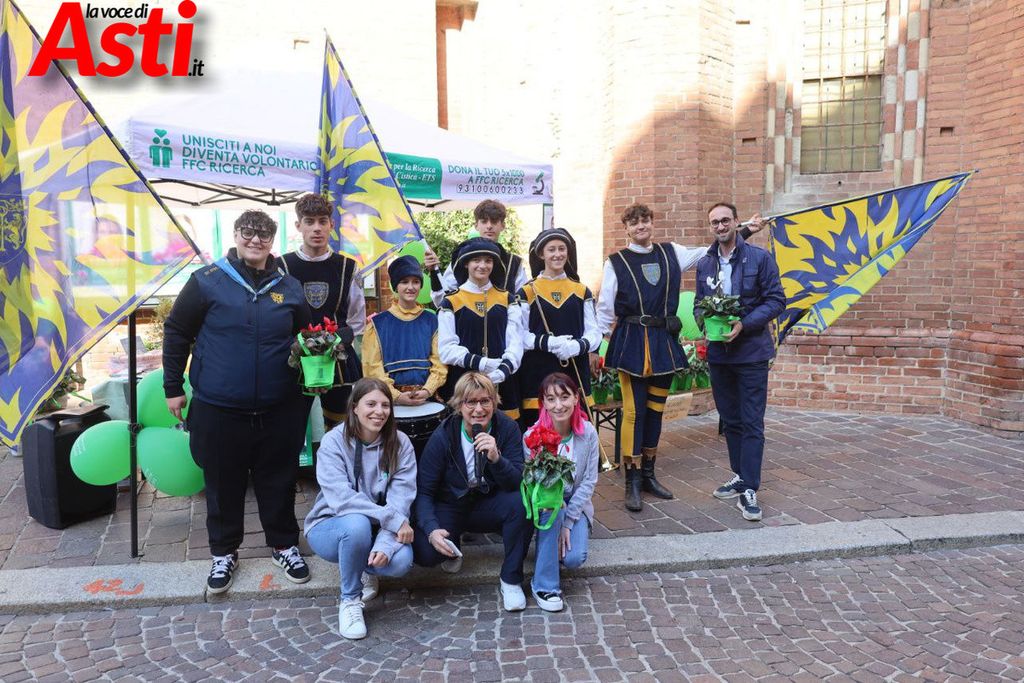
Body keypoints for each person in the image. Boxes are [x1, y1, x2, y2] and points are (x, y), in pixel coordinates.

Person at [163, 209, 312, 594]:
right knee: (222, 483)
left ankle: (283, 545)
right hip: (219, 407)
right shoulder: (207, 281)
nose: (255, 240)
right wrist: (172, 386)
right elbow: (177, 331)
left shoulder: (289, 286)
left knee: (279, 480)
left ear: (273, 240)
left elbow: (307, 335)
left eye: (264, 234)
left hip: (279, 406)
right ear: (235, 235)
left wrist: (323, 355)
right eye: (248, 232)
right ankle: (224, 552)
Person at [595, 203, 759, 511]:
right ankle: (631, 481)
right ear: (626, 228)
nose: (641, 226)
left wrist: (746, 230)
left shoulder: (672, 252)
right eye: (634, 222)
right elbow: (604, 308)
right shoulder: (616, 262)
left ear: (652, 223)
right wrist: (595, 347)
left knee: (656, 410)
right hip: (631, 342)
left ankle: (648, 475)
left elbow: (708, 251)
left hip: (662, 342)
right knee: (634, 413)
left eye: (645, 220)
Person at [304, 378, 417, 640]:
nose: (379, 411)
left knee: (401, 561)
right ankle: (350, 600)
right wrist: (392, 520)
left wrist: (386, 542)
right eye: (371, 404)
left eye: (385, 405)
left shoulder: (400, 443)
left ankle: (361, 566)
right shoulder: (333, 442)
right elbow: (341, 499)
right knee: (357, 524)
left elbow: (401, 498)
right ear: (354, 407)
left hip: (377, 528)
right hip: (330, 525)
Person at [411, 372, 531, 612]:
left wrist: (497, 459)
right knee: (426, 553)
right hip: (452, 503)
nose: (478, 409)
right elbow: (424, 492)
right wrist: (432, 529)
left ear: (494, 402)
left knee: (521, 503)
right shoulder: (444, 435)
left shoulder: (507, 428)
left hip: (489, 501)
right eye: (471, 402)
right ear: (459, 405)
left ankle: (511, 579)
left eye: (485, 401)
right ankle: (452, 543)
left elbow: (518, 481)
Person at [696, 202, 785, 522]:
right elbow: (699, 303)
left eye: (725, 220)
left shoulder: (759, 258)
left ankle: (750, 487)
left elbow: (776, 300)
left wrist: (744, 324)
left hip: (751, 353)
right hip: (719, 354)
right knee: (730, 419)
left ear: (736, 222)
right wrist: (704, 323)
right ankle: (740, 474)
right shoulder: (706, 264)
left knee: (751, 421)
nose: (720, 226)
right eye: (714, 222)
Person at [282, 193, 364, 429]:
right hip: (295, 361)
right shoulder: (281, 267)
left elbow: (357, 319)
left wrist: (338, 342)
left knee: (343, 431)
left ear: (332, 225)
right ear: (298, 225)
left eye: (322, 221)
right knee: (291, 431)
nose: (316, 228)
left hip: (339, 361)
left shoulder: (348, 267)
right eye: (309, 221)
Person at [524, 373, 598, 612]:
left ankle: (555, 540)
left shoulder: (587, 433)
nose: (558, 405)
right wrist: (557, 508)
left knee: (574, 559)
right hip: (546, 504)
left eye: (564, 397)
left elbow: (589, 480)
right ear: (543, 403)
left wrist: (568, 522)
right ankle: (545, 586)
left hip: (575, 504)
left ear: (576, 398)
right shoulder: (532, 437)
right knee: (551, 510)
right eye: (551, 399)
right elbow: (532, 482)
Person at [517, 228, 600, 427]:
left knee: (574, 427)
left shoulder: (581, 290)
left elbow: (594, 332)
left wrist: (576, 346)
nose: (557, 254)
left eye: (562, 249)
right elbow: (520, 335)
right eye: (551, 249)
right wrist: (550, 343)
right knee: (540, 429)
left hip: (574, 368)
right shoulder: (527, 292)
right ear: (541, 254)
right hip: (538, 370)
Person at [437, 237, 524, 420]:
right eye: (476, 260)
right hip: (464, 382)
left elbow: (516, 342)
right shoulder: (451, 301)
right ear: (466, 264)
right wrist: (481, 363)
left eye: (488, 260)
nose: (482, 265)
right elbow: (446, 349)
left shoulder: (507, 299)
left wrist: (504, 369)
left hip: (502, 381)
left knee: (503, 430)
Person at [425, 199, 528, 307]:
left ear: (503, 225)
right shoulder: (462, 258)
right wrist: (433, 272)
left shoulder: (514, 263)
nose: (489, 226)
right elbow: (441, 301)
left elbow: (523, 304)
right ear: (476, 225)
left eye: (494, 221)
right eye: (484, 221)